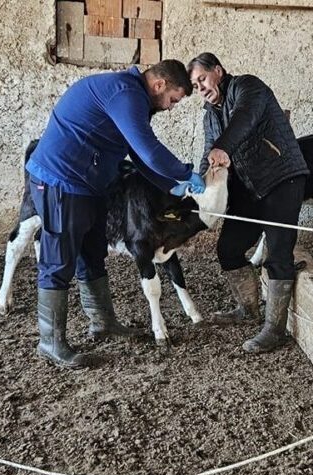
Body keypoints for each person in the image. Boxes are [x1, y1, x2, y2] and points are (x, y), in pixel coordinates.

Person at [26, 60, 205, 369]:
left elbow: (136, 152)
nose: (171, 107)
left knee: (92, 252)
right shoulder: (125, 94)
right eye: (173, 100)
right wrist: (184, 172)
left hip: (87, 183)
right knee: (59, 259)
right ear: (159, 85)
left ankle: (103, 322)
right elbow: (147, 149)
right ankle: (50, 342)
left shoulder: (132, 98)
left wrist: (170, 185)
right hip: (61, 180)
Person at [187, 53, 308, 354]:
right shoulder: (210, 114)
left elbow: (245, 118)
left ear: (218, 71)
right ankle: (248, 308)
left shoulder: (248, 87)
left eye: (202, 79)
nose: (200, 88)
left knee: (279, 253)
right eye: (194, 85)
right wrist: (196, 184)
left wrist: (222, 148)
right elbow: (208, 152)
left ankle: (274, 329)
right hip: (249, 186)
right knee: (228, 248)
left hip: (282, 179)